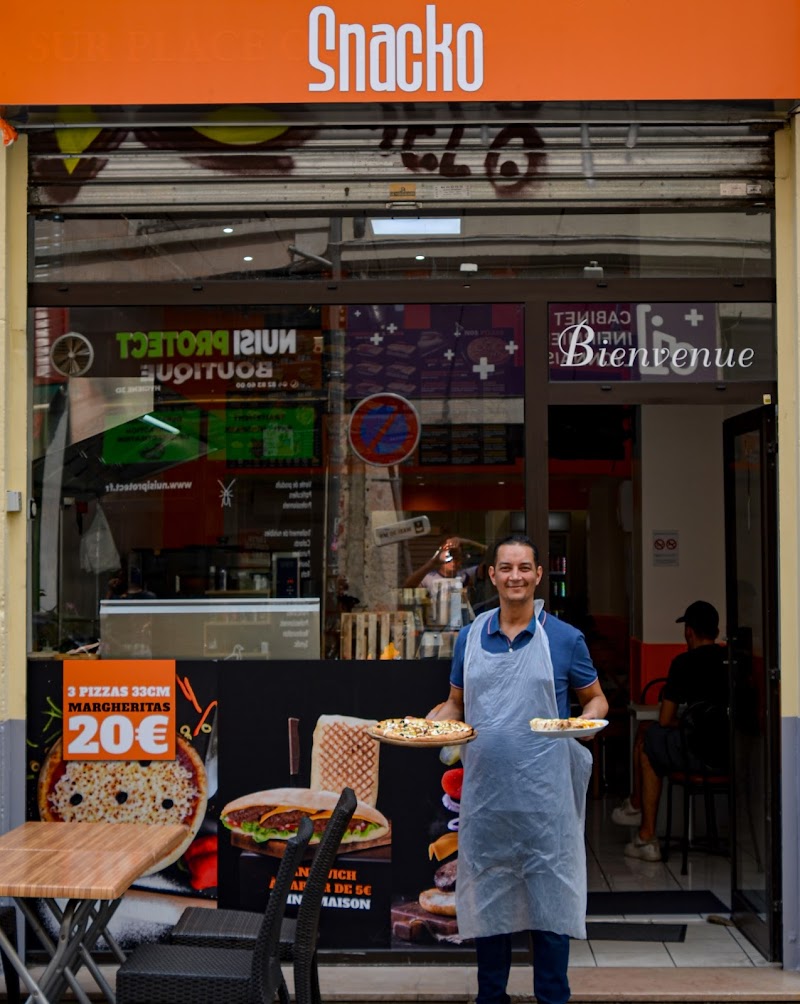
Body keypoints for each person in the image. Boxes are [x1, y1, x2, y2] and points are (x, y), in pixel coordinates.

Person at [428, 533, 608, 1004]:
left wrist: (588, 722)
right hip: (487, 799)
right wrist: (432, 724)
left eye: (524, 568)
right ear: (492, 575)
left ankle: (552, 997)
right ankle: (492, 998)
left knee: (551, 907)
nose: (515, 577)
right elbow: (455, 704)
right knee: (489, 906)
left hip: (546, 802)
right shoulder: (470, 637)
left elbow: (595, 699)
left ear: (538, 575)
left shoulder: (565, 639)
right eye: (506, 568)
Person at [612, 600, 729, 861]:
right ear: (716, 630)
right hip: (730, 757)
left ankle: (645, 831)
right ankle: (636, 809)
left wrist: (685, 720)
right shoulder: (729, 660)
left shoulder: (683, 663)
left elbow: (664, 719)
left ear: (689, 631)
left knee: (648, 737)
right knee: (651, 735)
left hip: (697, 756)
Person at [403, 535, 486, 592]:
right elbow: (407, 588)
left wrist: (465, 541)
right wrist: (432, 562)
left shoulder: (464, 576)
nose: (453, 561)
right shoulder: (429, 578)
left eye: (457, 557)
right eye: (450, 555)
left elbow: (490, 557)